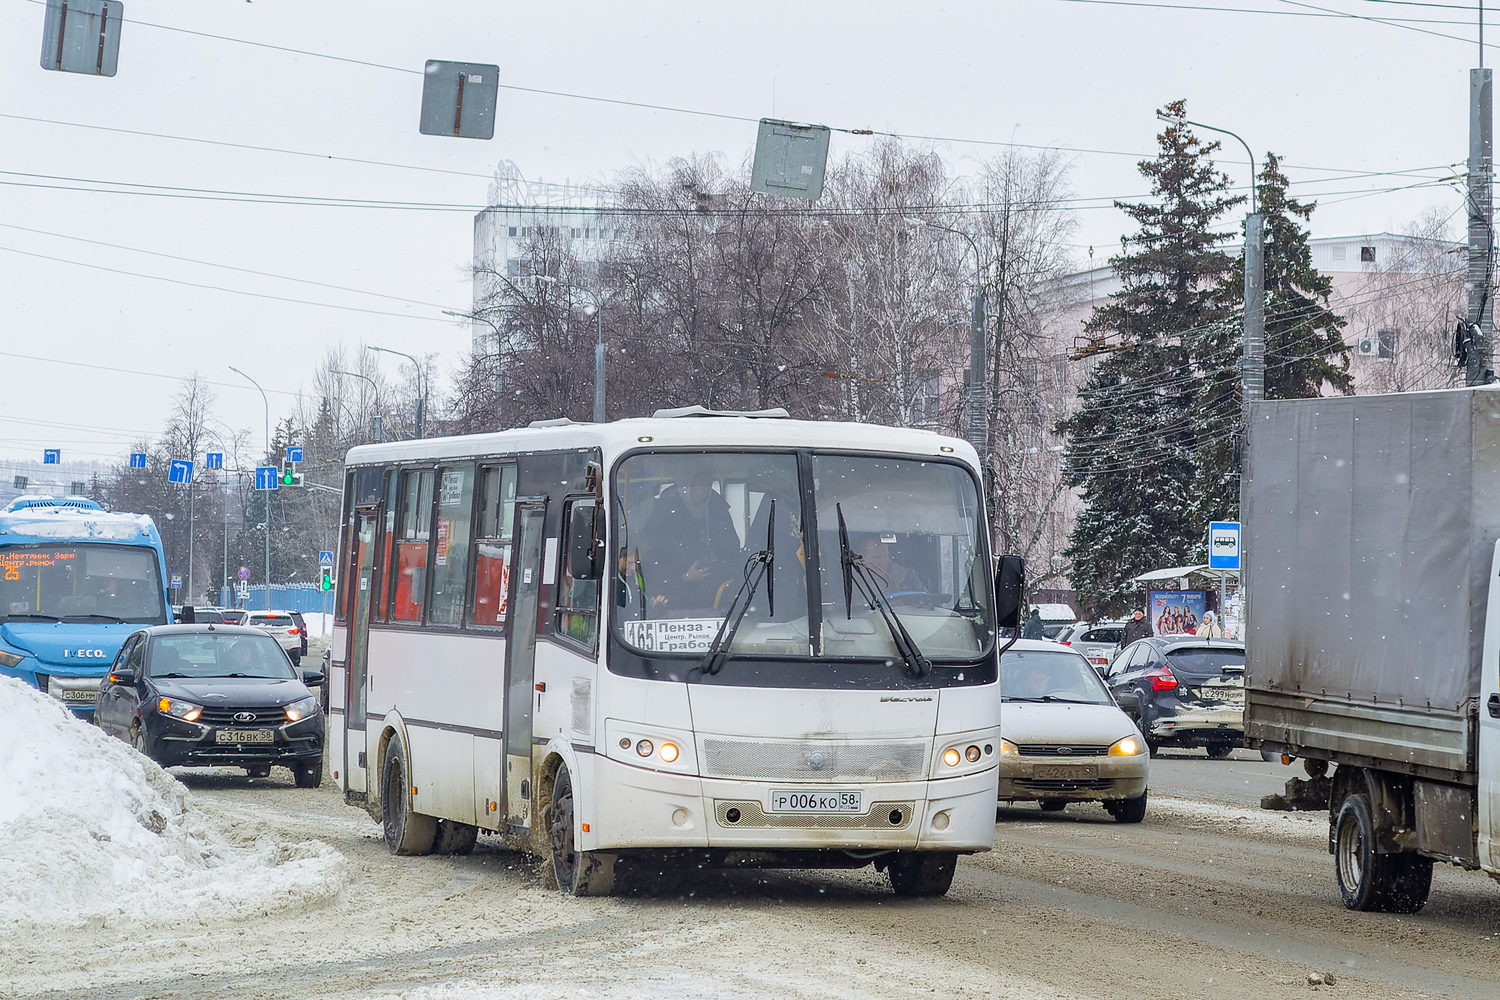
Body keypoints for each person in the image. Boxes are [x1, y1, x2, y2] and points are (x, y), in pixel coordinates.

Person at [640, 470, 741, 612]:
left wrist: (716, 564)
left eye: (706, 488)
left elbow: (731, 549)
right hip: (672, 597)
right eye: (696, 488)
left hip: (713, 593)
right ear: (686, 489)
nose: (702, 493)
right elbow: (654, 557)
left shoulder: (718, 509)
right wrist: (684, 576)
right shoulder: (667, 509)